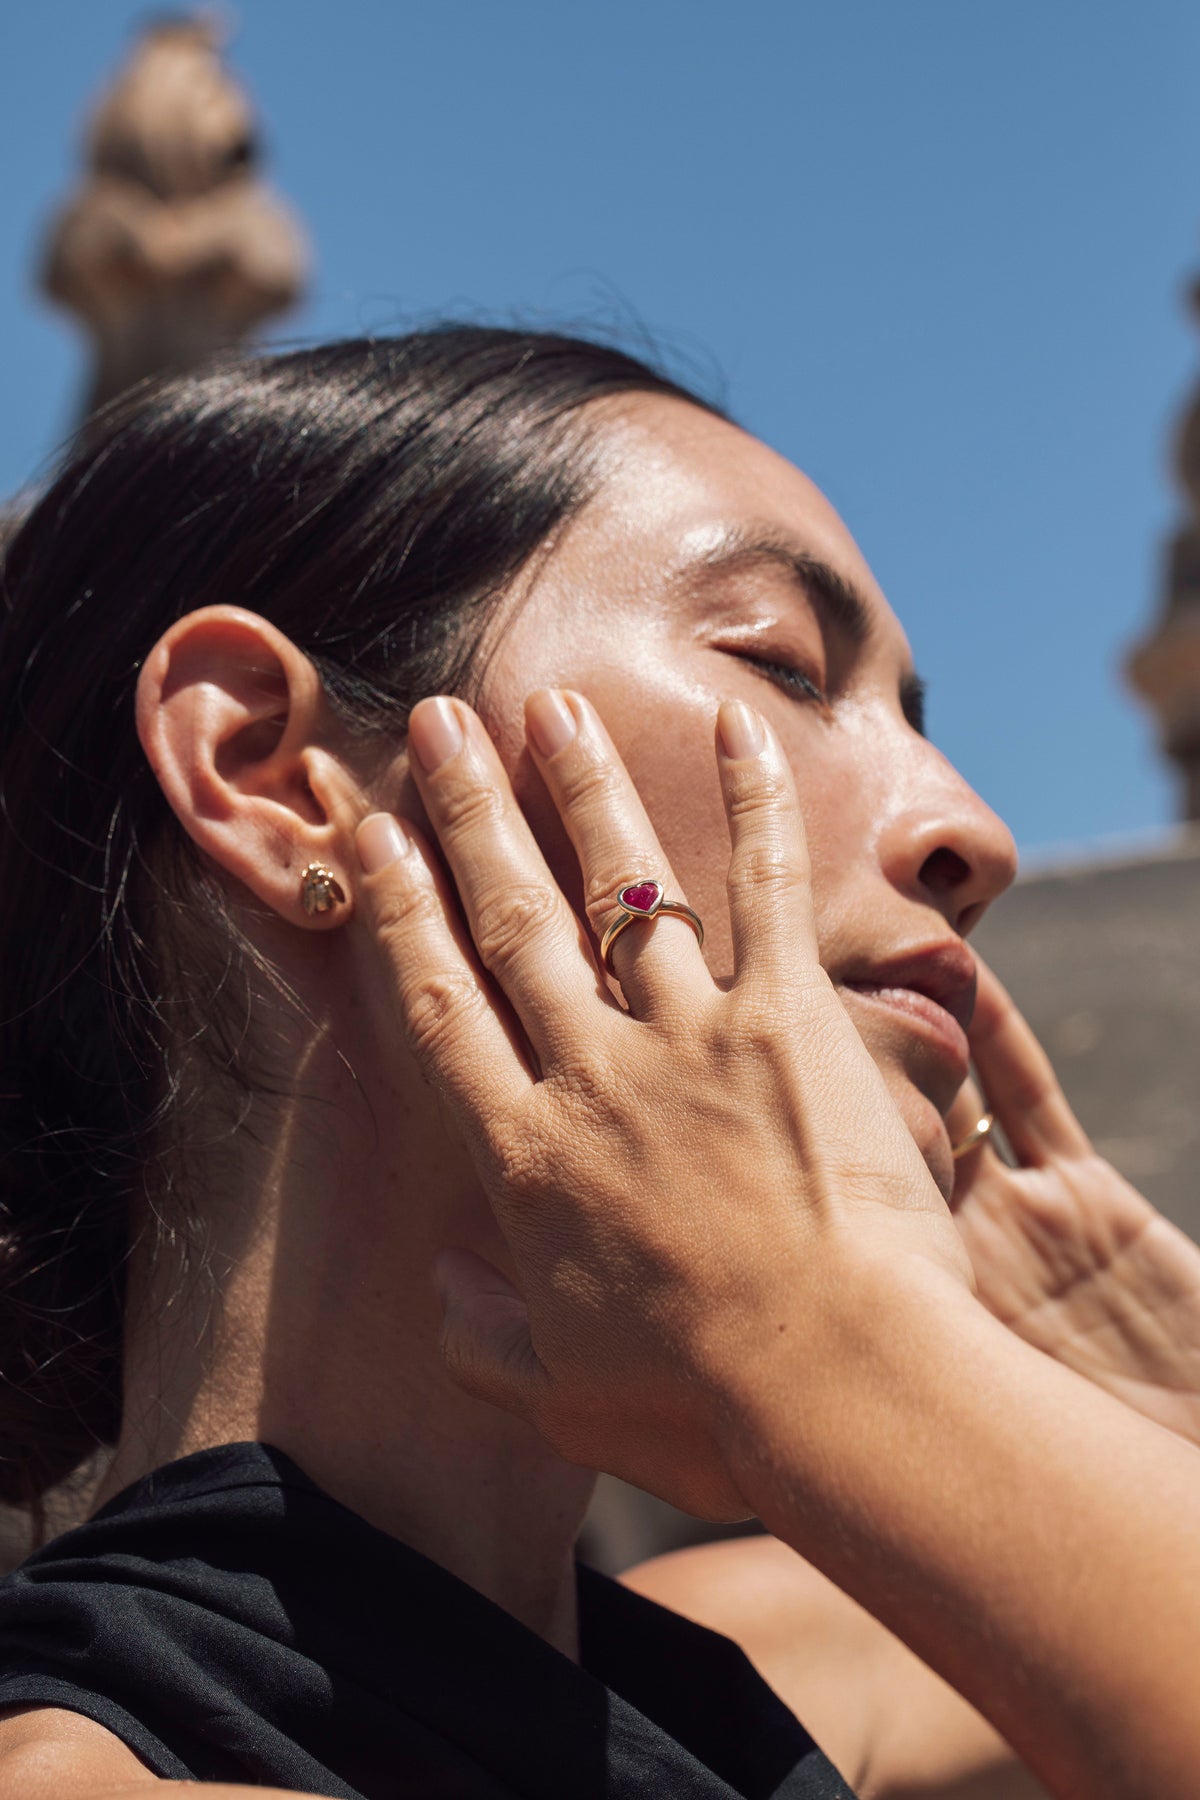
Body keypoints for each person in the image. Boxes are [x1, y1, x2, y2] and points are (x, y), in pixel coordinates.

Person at [0, 329, 1198, 1800]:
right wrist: (823, 1342)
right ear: (272, 770)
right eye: (783, 667)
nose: (973, 830)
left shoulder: (744, 1665)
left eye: (917, 718)